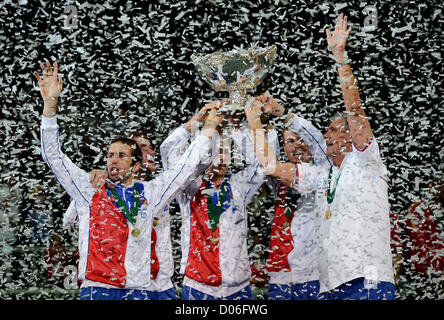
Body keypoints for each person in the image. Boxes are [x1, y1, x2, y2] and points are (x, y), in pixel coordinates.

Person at [35, 60, 222, 300]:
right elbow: (53, 156)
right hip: (98, 290)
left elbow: (186, 167)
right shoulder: (89, 189)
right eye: (110, 155)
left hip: (141, 290)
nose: (113, 160)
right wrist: (50, 106)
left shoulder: (152, 192)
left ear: (135, 166)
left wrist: (208, 129)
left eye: (121, 156)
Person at [244, 14, 395, 300]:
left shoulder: (366, 161)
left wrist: (340, 58)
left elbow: (355, 110)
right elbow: (270, 166)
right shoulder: (323, 175)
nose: (326, 135)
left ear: (350, 136)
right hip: (330, 285)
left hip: (369, 277)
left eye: (334, 130)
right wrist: (254, 123)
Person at [160, 101, 280, 300]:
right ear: (205, 154)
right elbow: (168, 151)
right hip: (197, 286)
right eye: (216, 152)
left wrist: (237, 128)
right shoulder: (188, 187)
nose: (222, 158)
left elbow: (267, 163)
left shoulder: (239, 186)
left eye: (226, 152)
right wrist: (195, 122)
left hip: (238, 287)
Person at [63, 131, 177, 299]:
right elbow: (70, 220)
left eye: (150, 148)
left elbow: (187, 167)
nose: (150, 153)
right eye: (142, 148)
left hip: (160, 282)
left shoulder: (159, 188)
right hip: (119, 281)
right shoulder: (99, 188)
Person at [263, 107, 329, 300]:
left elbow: (318, 141)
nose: (295, 146)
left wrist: (284, 115)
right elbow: (263, 159)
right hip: (279, 275)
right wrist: (260, 124)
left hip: (312, 274)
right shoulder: (281, 180)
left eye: (301, 140)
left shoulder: (324, 173)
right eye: (289, 142)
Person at [403, 177, 444, 299]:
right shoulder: (417, 210)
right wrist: (439, 274)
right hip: (426, 276)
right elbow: (423, 247)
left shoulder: (439, 209)